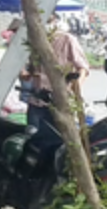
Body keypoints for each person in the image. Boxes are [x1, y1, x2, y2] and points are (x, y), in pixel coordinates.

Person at [19, 17, 91, 152]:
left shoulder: (67, 40)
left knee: (61, 142)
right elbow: (28, 70)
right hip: (37, 101)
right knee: (34, 142)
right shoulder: (33, 42)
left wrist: (75, 88)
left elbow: (83, 68)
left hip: (60, 101)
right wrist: (25, 74)